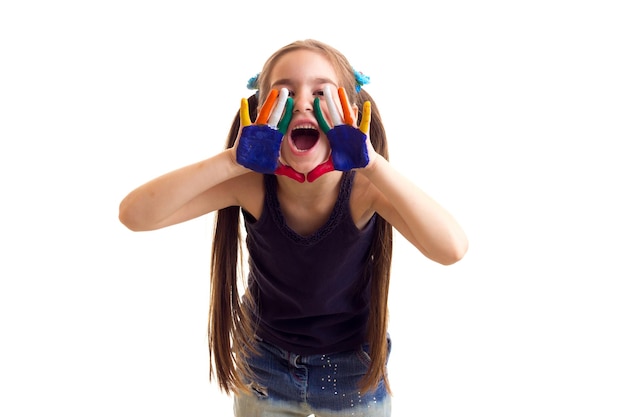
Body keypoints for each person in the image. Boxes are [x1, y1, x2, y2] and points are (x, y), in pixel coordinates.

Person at [119, 39, 468, 417]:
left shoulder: (367, 190)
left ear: (350, 112)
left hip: (351, 370)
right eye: (283, 92)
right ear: (258, 114)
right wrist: (233, 161)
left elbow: (451, 248)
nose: (302, 102)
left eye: (321, 92)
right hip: (265, 365)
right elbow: (136, 215)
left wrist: (372, 165)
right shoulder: (249, 184)